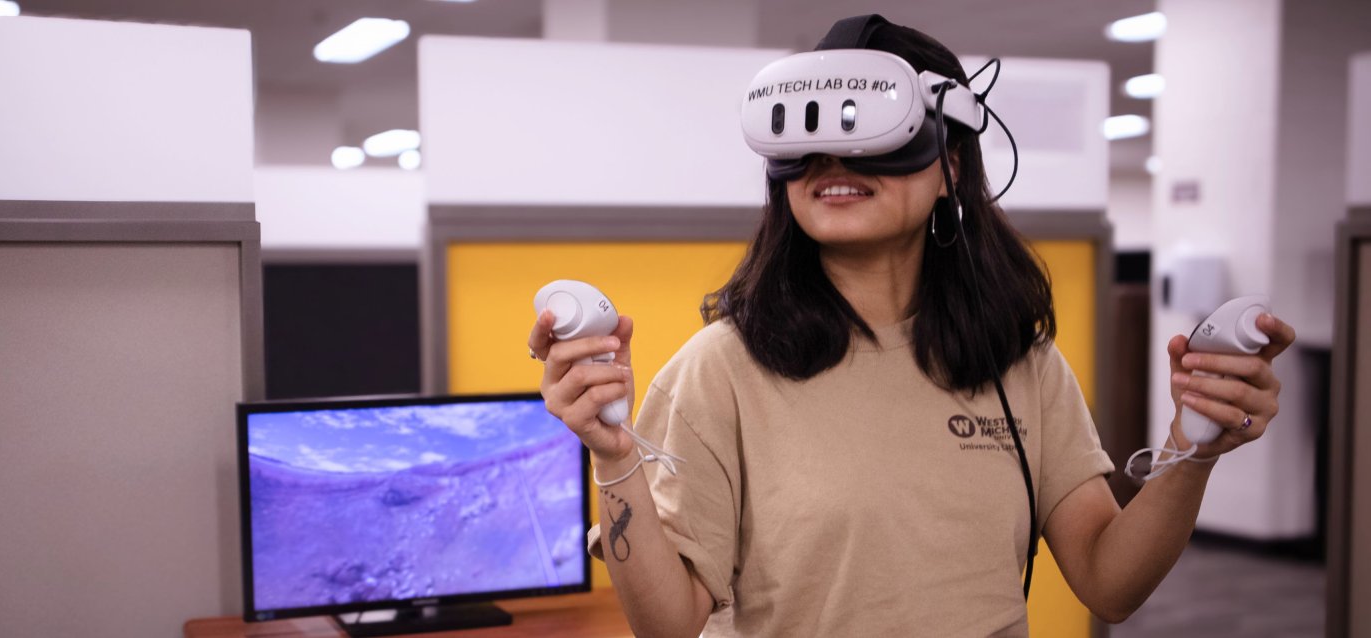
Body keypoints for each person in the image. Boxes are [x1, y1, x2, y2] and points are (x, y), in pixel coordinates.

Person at [525, 15, 1296, 638]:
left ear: (950, 164)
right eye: (808, 139)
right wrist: (613, 456)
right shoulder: (720, 369)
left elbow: (1109, 583)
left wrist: (1193, 447)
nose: (833, 157)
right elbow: (668, 625)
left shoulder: (1017, 361)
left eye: (875, 130)